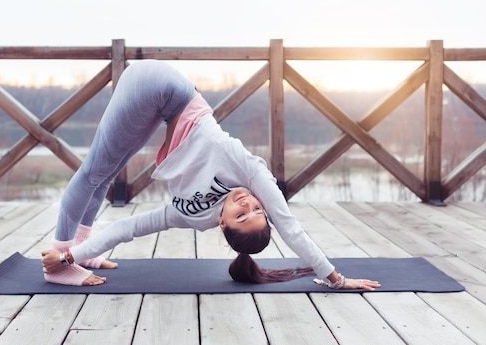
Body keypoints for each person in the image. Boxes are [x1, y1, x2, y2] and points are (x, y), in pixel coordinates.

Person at [41, 60, 380, 291]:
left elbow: (125, 228)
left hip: (160, 99)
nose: (248, 203)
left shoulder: (191, 216)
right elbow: (291, 229)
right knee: (93, 173)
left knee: (105, 173)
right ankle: (56, 265)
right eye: (258, 211)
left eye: (241, 215)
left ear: (222, 224)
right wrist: (336, 279)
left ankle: (78, 250)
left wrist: (79, 254)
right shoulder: (251, 173)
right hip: (160, 87)